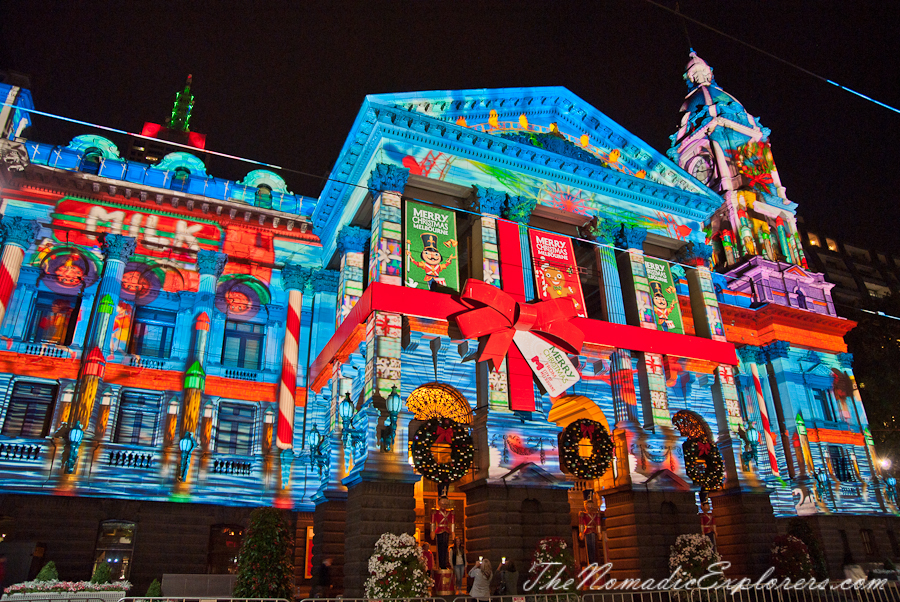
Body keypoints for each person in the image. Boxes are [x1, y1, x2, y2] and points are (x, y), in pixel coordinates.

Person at [431, 495, 455, 569]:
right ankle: (441, 565)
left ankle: (444, 564)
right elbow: (432, 522)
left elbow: (452, 522)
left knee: (445, 547)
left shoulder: (450, 512)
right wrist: (432, 531)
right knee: (440, 548)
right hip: (439, 531)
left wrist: (453, 531)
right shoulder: (436, 511)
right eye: (443, 503)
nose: (444, 505)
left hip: (446, 531)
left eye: (445, 504)